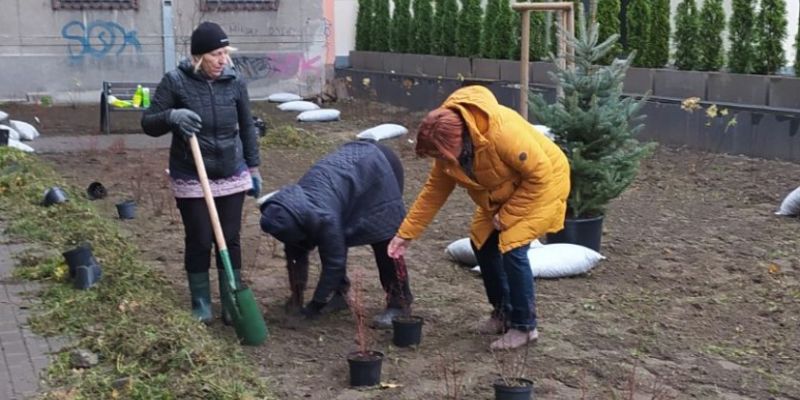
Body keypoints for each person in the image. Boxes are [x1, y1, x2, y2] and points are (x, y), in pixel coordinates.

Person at [387, 85, 570, 350]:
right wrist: (406, 233)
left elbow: (540, 176)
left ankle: (525, 326)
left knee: (512, 248)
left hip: (545, 184)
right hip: (504, 191)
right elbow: (433, 192)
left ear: (457, 141)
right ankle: (502, 312)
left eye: (440, 154)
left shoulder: (502, 134)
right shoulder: (449, 150)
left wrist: (507, 216)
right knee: (481, 243)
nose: (439, 160)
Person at [141, 21, 262, 324]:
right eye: (215, 54)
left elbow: (247, 126)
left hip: (231, 171)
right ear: (198, 57)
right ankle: (201, 303)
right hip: (192, 173)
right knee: (200, 238)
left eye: (225, 53)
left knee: (231, 238)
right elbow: (148, 122)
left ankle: (232, 301)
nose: (223, 60)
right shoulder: (176, 82)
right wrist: (171, 116)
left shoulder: (235, 81)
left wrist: (253, 166)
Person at [259, 140, 413, 329]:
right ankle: (340, 293)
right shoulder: (289, 210)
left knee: (384, 239)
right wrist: (296, 297)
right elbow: (295, 255)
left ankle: (399, 303)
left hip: (379, 169)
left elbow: (334, 263)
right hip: (351, 174)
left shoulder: (324, 217)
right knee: (333, 240)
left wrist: (314, 307)